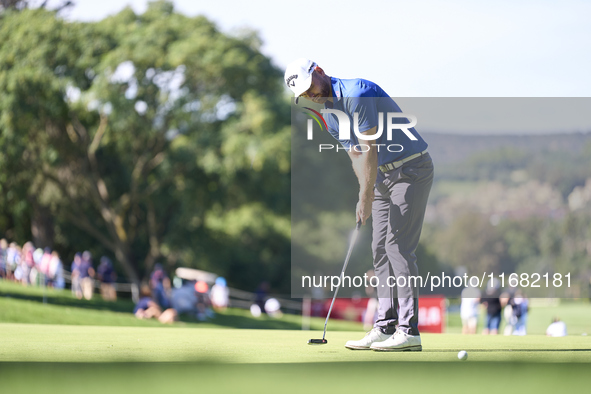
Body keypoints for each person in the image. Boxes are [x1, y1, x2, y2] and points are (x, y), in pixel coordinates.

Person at [286, 58, 433, 351]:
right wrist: (362, 194)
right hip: (381, 178)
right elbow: (355, 155)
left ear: (320, 72)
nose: (310, 95)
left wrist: (366, 196)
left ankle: (408, 330)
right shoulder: (328, 116)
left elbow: (369, 147)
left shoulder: (358, 93)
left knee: (398, 248)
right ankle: (385, 325)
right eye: (304, 94)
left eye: (310, 87)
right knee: (379, 250)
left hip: (411, 170)